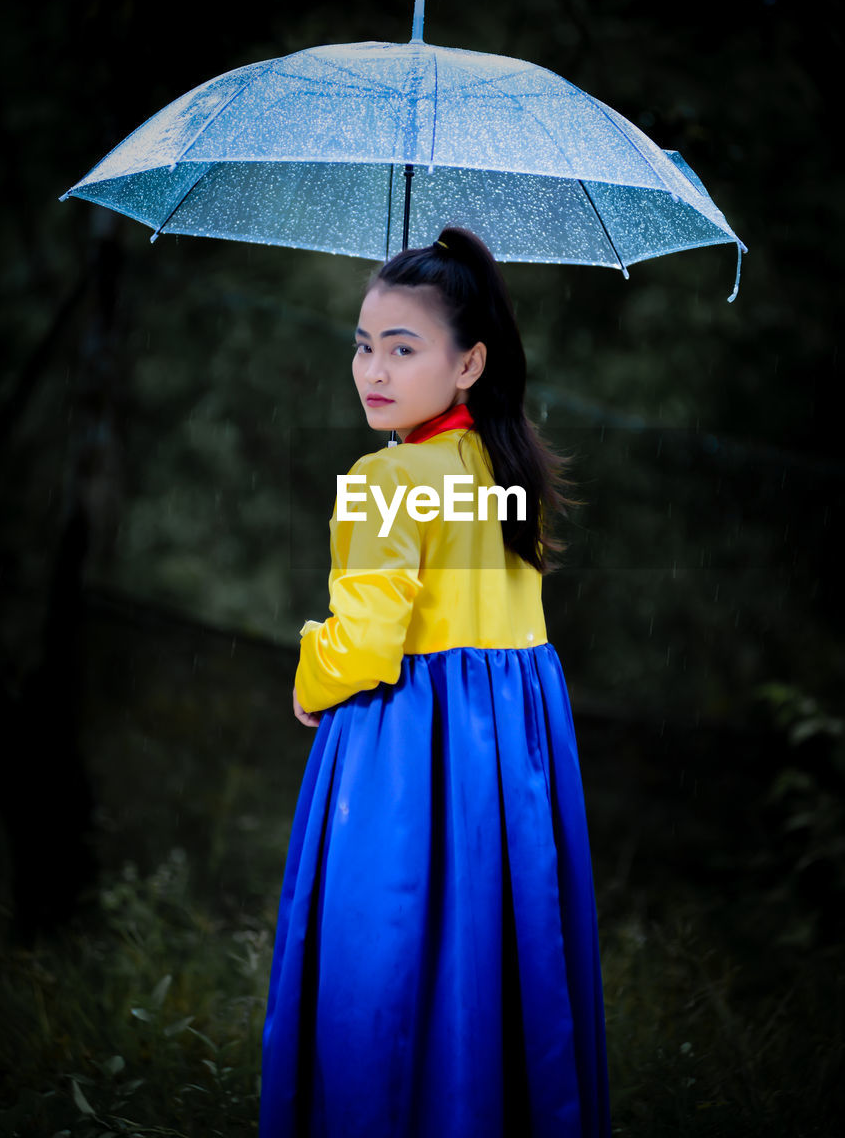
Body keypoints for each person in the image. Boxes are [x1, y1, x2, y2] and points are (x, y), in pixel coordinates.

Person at [260, 227, 611, 1138]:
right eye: (363, 346)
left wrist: (311, 668)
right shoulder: (508, 467)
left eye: (402, 347)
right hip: (508, 760)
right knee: (494, 961)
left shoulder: (386, 480)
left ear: (470, 363)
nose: (372, 370)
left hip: (406, 753)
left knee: (384, 963)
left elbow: (370, 642)